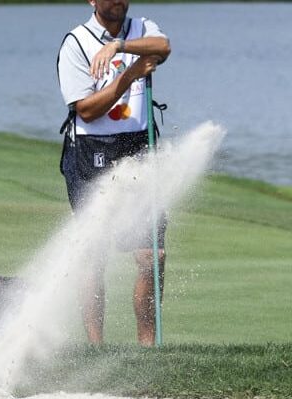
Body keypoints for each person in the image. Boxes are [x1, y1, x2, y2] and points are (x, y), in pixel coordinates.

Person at [57, 0, 171, 346]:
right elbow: (86, 110)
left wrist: (119, 46)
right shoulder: (75, 43)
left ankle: (147, 348)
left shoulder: (141, 28)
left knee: (152, 254)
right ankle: (96, 348)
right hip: (92, 150)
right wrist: (130, 75)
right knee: (94, 254)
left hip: (138, 144)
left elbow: (163, 47)